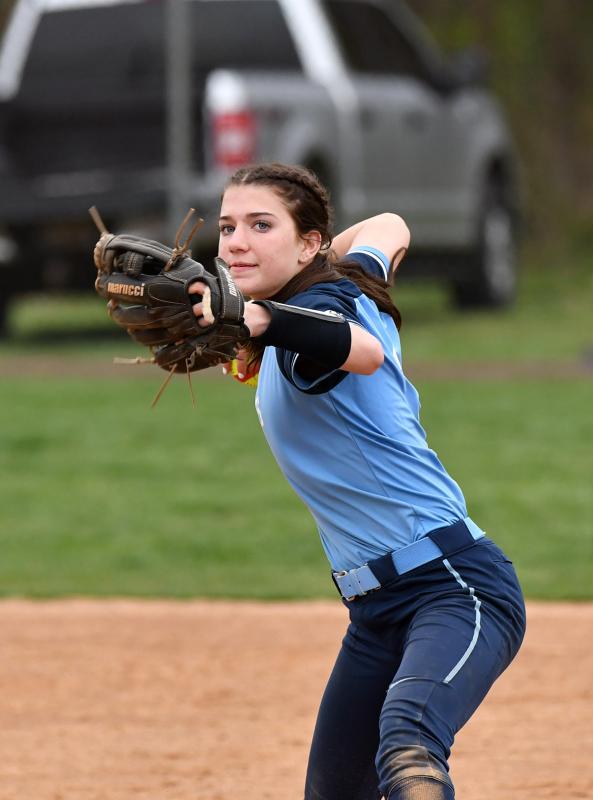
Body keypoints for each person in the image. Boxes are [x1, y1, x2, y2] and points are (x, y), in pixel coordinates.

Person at [190, 162, 526, 800]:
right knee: (336, 791)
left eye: (262, 225)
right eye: (228, 226)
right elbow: (389, 225)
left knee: (409, 744)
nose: (236, 243)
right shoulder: (341, 286)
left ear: (309, 242)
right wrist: (284, 291)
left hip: (455, 589)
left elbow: (361, 352)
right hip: (375, 614)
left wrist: (260, 319)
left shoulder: (314, 321)